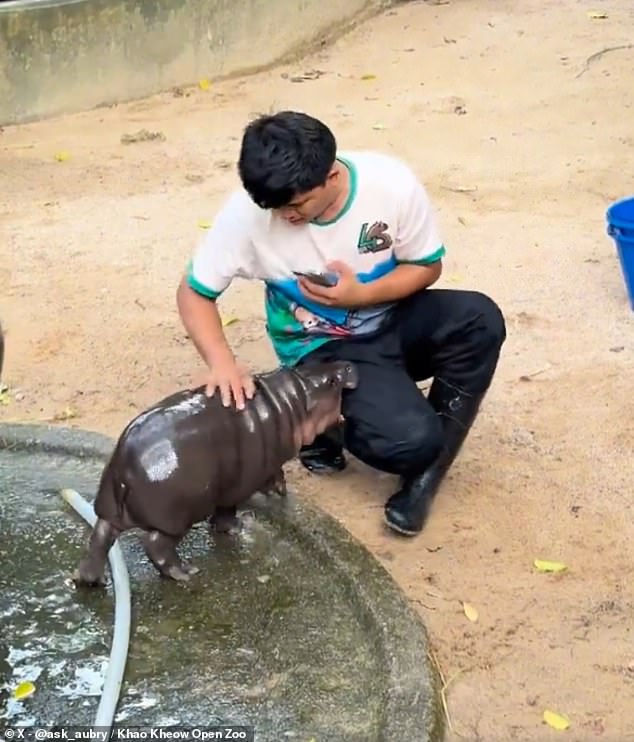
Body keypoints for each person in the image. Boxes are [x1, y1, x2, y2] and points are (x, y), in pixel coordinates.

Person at [176, 110, 506, 536]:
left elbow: (427, 267)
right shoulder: (247, 216)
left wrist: (362, 295)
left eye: (296, 205)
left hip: (392, 315)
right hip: (322, 346)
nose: (285, 217)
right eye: (274, 208)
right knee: (410, 443)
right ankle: (318, 418)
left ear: (331, 176)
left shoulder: (390, 184)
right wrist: (221, 361)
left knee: (479, 318)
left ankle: (426, 476)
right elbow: (194, 292)